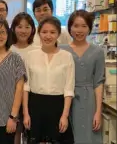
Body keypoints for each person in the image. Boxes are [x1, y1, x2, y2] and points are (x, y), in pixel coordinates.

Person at [23, 17, 74, 144]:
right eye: (44, 32)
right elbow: (26, 87)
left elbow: (69, 89)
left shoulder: (67, 57)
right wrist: (26, 114)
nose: (48, 36)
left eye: (52, 32)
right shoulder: (30, 55)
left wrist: (65, 116)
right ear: (39, 33)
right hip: (35, 106)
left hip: (57, 107)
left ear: (58, 34)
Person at [60, 10, 105, 144]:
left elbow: (98, 83)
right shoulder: (61, 50)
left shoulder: (97, 52)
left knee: (88, 137)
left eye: (84, 26)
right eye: (75, 26)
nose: (79, 30)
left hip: (88, 101)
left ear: (90, 28)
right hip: (65, 99)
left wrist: (98, 111)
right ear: (70, 27)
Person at [10, 12, 39, 144]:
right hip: (11, 98)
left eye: (27, 27)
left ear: (33, 29)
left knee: (31, 134)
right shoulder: (8, 50)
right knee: (14, 132)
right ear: (13, 28)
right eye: (19, 27)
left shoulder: (38, 50)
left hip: (33, 98)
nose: (23, 30)